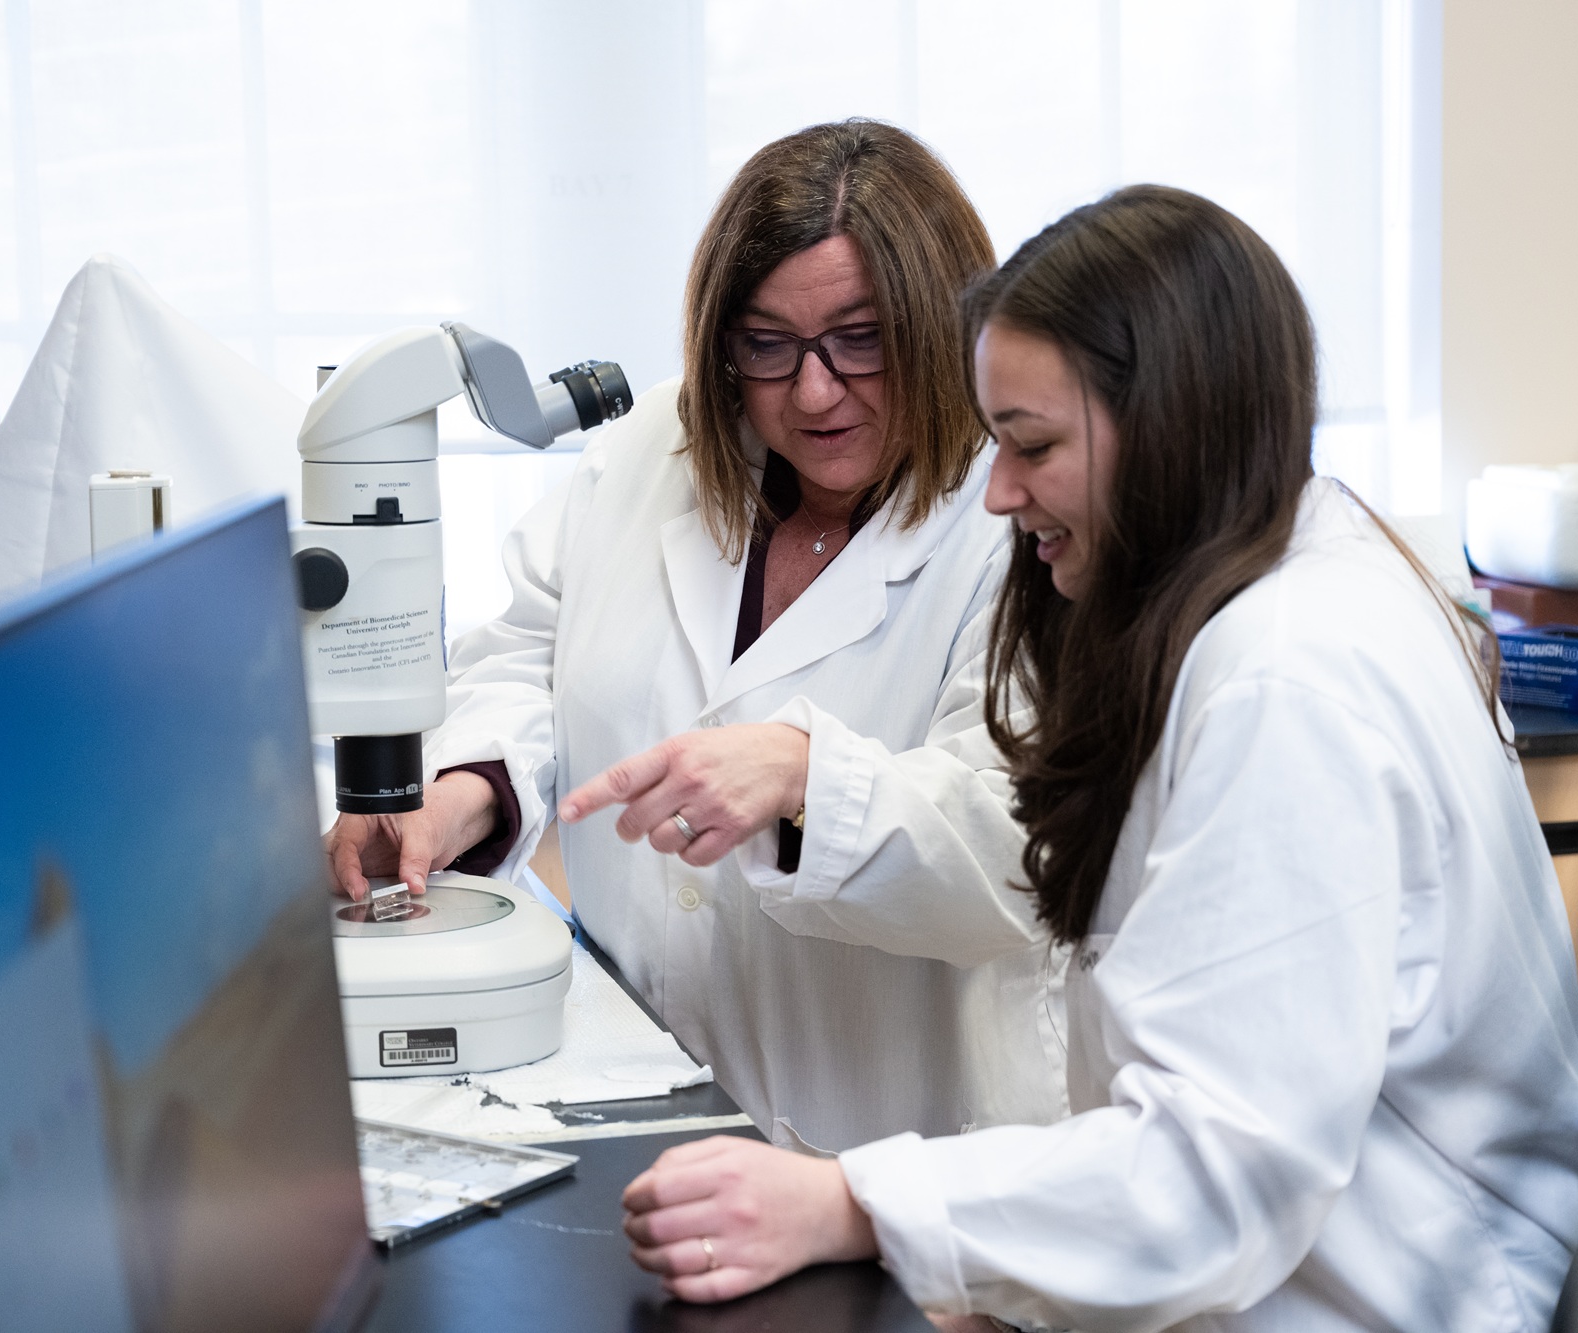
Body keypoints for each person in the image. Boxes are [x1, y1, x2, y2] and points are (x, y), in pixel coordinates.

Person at [619, 186, 1578, 1331]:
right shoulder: (1295, 570)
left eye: (1030, 446)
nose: (997, 493)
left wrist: (851, 1202)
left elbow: (1211, 1176)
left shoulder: (1283, 681)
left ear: (1170, 425)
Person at [324, 120, 1068, 1152]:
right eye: (767, 344)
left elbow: (1011, 845)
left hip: (892, 1152)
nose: (812, 391)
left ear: (942, 328)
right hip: (624, 1094)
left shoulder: (1020, 520)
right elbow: (527, 650)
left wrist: (808, 778)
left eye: (860, 340)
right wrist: (466, 789)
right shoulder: (656, 450)